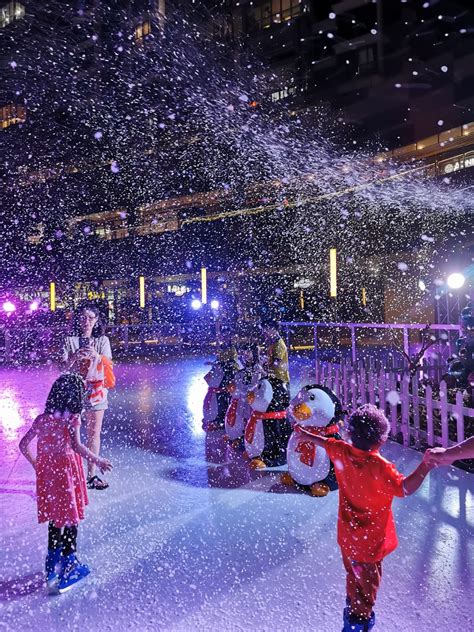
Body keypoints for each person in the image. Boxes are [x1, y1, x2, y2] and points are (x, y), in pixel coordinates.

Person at [296, 404, 435, 632]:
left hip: (348, 537)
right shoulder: (381, 467)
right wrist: (425, 465)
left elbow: (324, 442)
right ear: (381, 440)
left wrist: (304, 434)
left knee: (353, 575)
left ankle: (352, 611)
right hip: (370, 543)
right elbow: (404, 488)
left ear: (350, 434)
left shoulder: (341, 451)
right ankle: (357, 623)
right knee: (367, 587)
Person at [19, 374, 112, 593]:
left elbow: (23, 445)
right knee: (70, 517)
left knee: (55, 519)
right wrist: (98, 460)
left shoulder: (42, 419)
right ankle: (70, 562)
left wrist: (37, 465)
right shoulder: (72, 419)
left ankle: (51, 567)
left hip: (49, 477)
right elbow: (77, 446)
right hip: (66, 475)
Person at [61, 302, 114, 490]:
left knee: (93, 434)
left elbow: (108, 365)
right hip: (73, 393)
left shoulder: (102, 341)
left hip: (95, 392)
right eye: (83, 317)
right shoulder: (69, 340)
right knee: (69, 435)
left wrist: (96, 356)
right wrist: (74, 357)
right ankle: (70, 474)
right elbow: (62, 369)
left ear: (97, 320)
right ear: (78, 319)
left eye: (91, 317)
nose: (87, 321)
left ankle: (91, 476)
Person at [261, 318, 290, 385]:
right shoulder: (272, 343)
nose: (263, 332)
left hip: (280, 381)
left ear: (273, 329)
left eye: (266, 329)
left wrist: (263, 368)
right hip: (275, 379)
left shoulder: (279, 345)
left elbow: (275, 364)